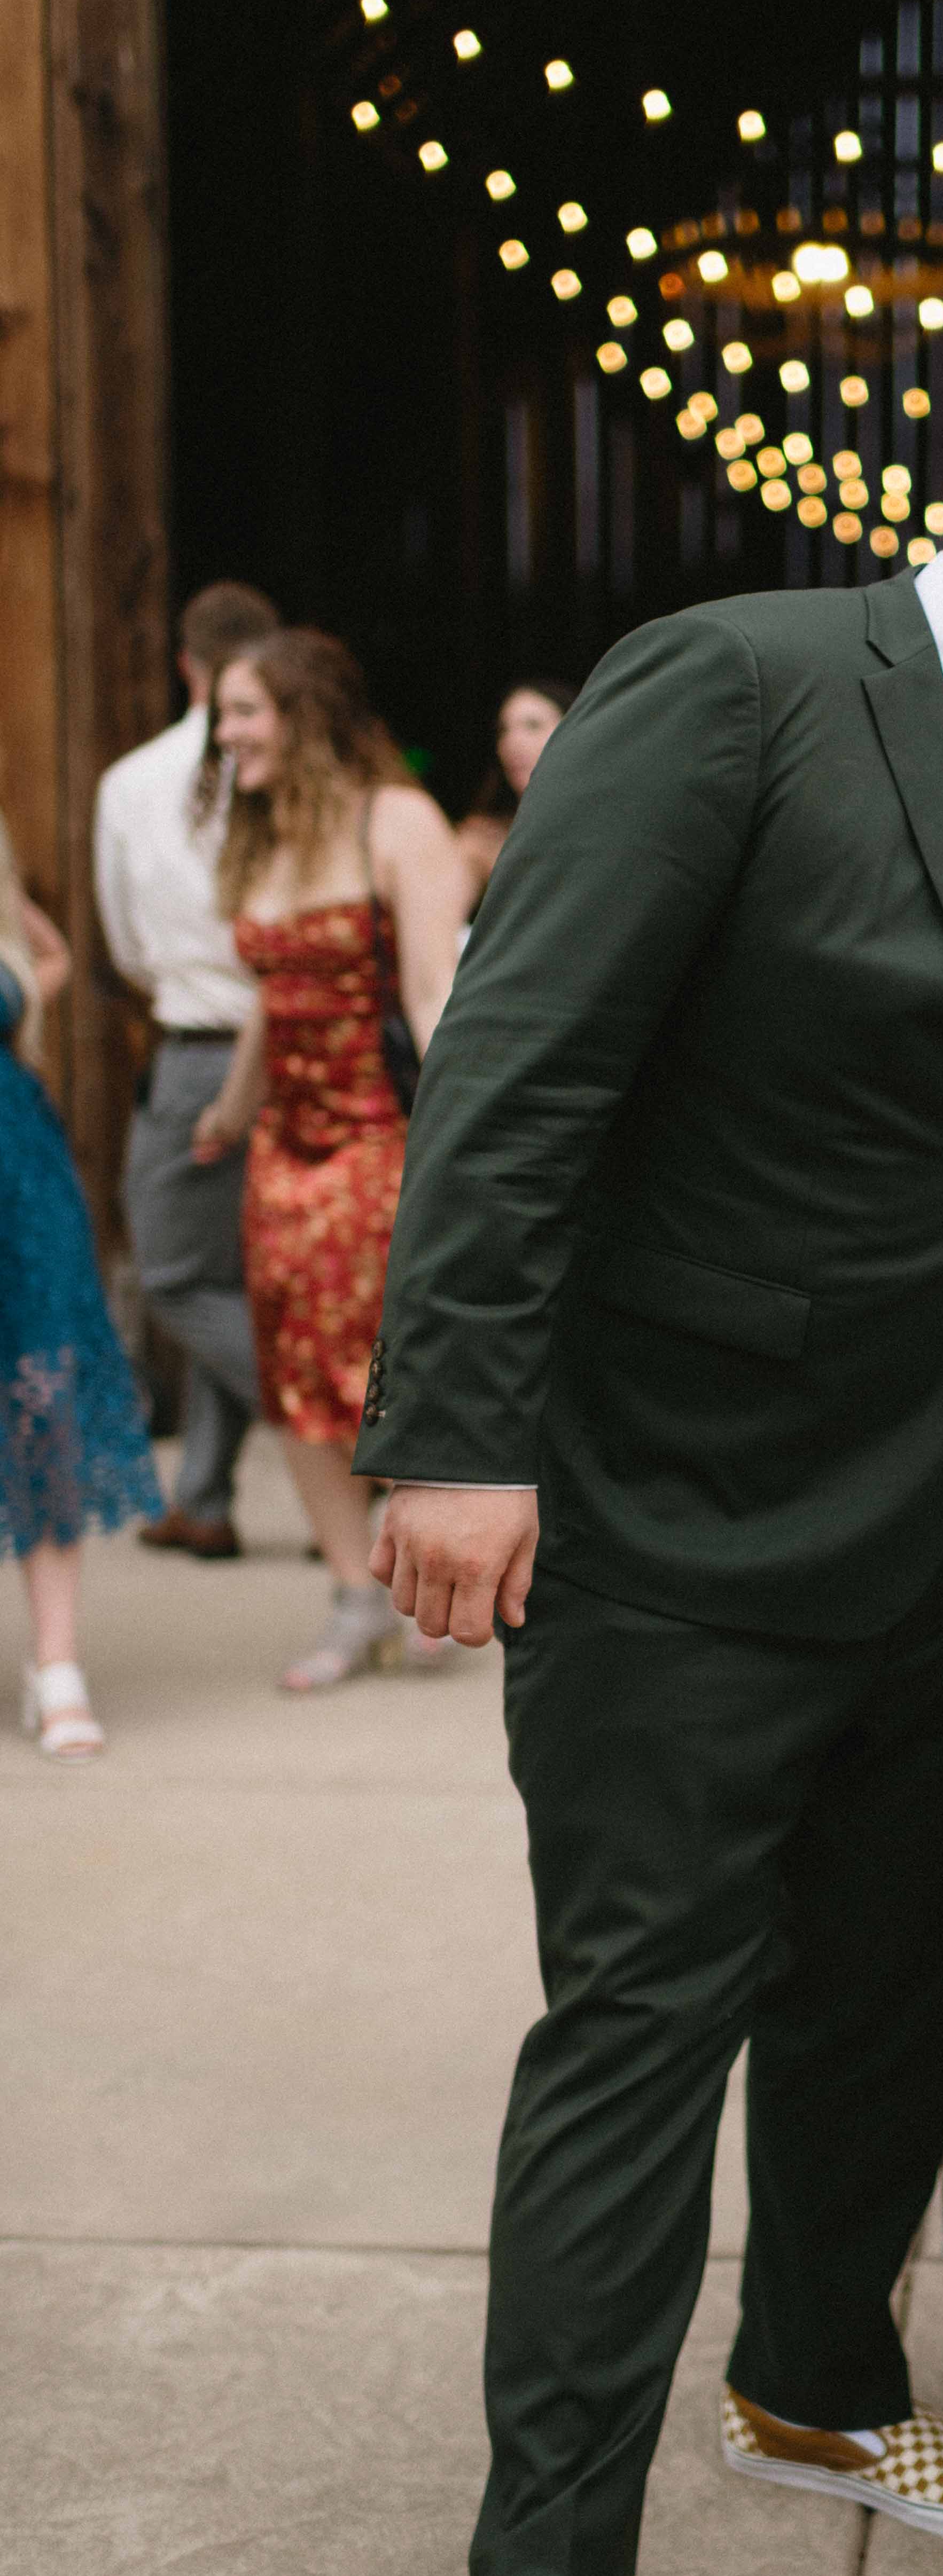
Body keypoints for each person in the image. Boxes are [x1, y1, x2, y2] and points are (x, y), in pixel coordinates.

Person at [352, 352, 943, 2576]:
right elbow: (525, 1066)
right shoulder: (744, 683)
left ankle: (817, 2372)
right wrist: (453, 1433)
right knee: (645, 2008)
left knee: (880, 1978)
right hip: (678, 1503)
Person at [188, 631, 466, 1692]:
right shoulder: (258, 830)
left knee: (375, 1367)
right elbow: (273, 1001)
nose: (227, 737)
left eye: (244, 713)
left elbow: (432, 993)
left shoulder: (393, 820)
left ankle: (419, 1579)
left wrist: (463, 1143)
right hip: (281, 1147)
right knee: (291, 1374)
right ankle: (355, 1595)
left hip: (375, 1137)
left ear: (303, 714)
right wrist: (228, 1108)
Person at [95, 578, 280, 1558]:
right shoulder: (286, 769)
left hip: (201, 1051)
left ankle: (343, 1430)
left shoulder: (131, 782)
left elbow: (126, 945)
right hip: (293, 1045)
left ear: (185, 664)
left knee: (170, 1275)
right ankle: (204, 1497)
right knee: (228, 1275)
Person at [1, 815, 162, 1755]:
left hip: (16, 1168)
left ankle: (56, 1661)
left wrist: (25, 986)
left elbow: (49, 955)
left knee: (41, 1396)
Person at [456, 679, 577, 913]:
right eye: (504, 730)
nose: (512, 742)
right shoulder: (481, 839)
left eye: (532, 725)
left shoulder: (607, 823)